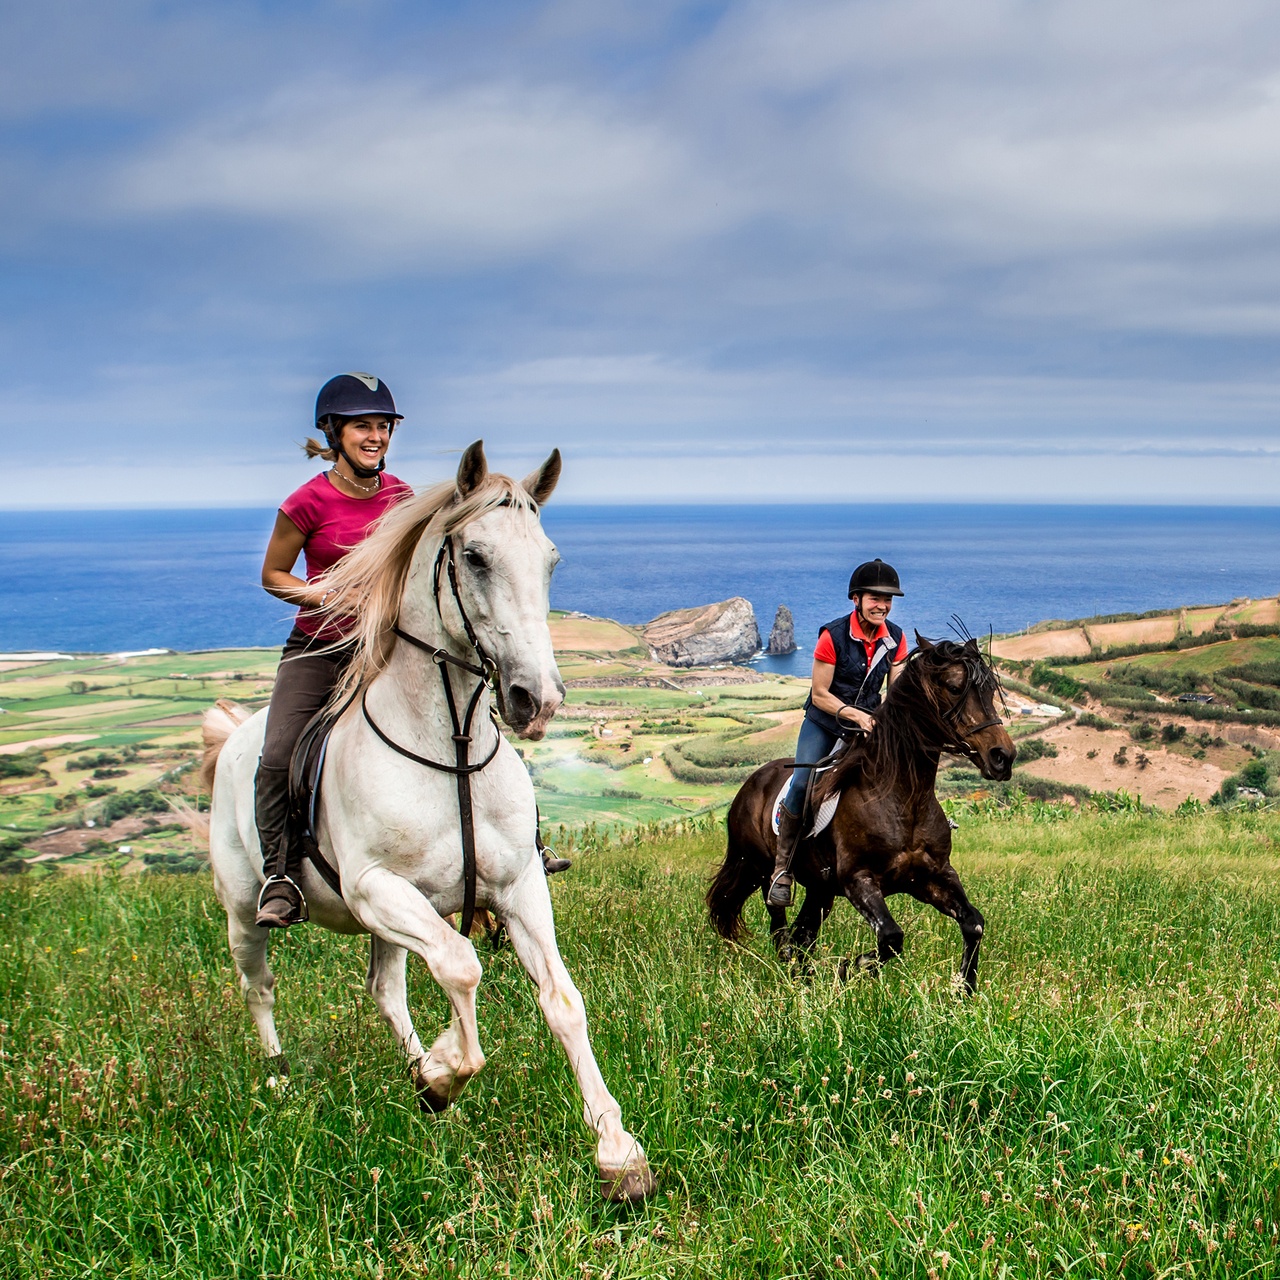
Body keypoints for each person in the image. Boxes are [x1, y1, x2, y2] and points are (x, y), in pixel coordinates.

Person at [253, 372, 414, 928]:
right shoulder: (306, 502)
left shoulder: (400, 497)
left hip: (387, 644)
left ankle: (522, 842)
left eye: (383, 427)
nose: (376, 437)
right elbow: (273, 574)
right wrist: (316, 591)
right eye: (363, 427)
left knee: (472, 712)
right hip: (320, 647)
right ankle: (280, 875)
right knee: (278, 754)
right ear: (334, 431)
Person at [766, 558, 909, 908]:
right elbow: (820, 694)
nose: (883, 605)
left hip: (868, 727)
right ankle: (782, 868)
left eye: (888, 599)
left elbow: (898, 692)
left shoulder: (897, 639)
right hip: (825, 723)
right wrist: (856, 715)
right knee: (802, 783)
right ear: (856, 599)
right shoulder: (833, 635)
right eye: (875, 598)